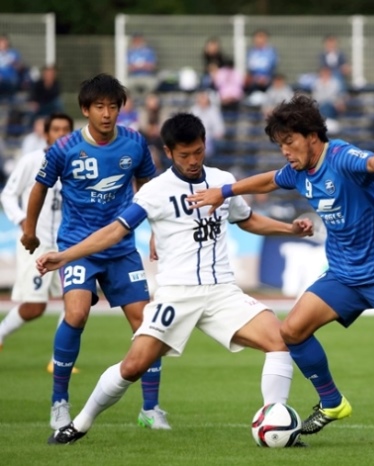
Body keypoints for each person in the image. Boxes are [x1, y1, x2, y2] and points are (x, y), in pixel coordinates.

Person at [187, 94, 374, 450]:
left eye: (290, 141)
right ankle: (332, 401)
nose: (285, 151)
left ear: (312, 136)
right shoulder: (298, 172)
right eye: (281, 145)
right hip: (343, 273)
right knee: (292, 331)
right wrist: (224, 191)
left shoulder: (340, 156)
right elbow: (268, 181)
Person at [42, 112, 313, 445]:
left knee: (279, 340)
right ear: (169, 152)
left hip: (222, 292)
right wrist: (65, 256)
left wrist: (289, 229)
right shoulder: (154, 191)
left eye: (198, 152)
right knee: (133, 366)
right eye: (184, 155)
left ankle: (275, 422)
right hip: (176, 295)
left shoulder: (222, 180)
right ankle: (79, 425)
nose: (193, 160)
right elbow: (114, 231)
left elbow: (247, 219)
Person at [20, 73, 168, 431]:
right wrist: (29, 230)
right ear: (85, 109)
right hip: (77, 247)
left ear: (120, 109)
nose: (106, 113)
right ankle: (59, 402)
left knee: (146, 322)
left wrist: (156, 231)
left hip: (121, 248)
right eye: (99, 106)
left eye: (113, 106)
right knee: (76, 314)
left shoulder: (134, 143)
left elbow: (149, 188)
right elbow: (40, 187)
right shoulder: (64, 148)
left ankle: (150, 409)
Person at [0, 113, 73, 363]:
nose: (61, 134)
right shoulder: (31, 161)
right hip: (36, 244)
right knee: (35, 307)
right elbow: (8, 194)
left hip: (67, 245)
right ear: (46, 133)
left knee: (74, 300)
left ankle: (58, 360)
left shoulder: (79, 163)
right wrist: (24, 222)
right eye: (56, 129)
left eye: (65, 129)